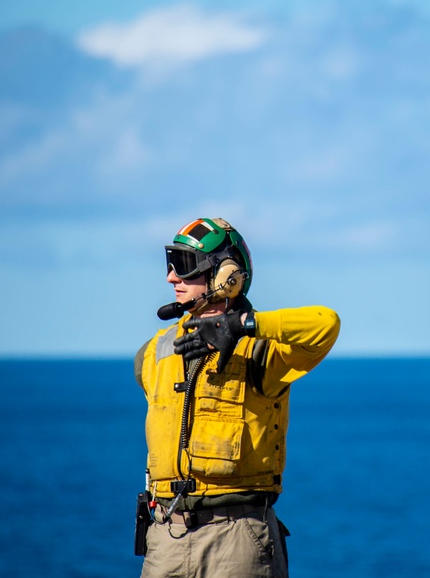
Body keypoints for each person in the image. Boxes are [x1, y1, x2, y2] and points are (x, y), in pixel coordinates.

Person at [134, 217, 341, 578]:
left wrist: (244, 325)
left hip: (237, 537)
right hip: (167, 534)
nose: (171, 278)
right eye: (169, 265)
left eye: (182, 266)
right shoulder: (155, 352)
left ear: (225, 276)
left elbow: (326, 324)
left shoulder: (263, 349)